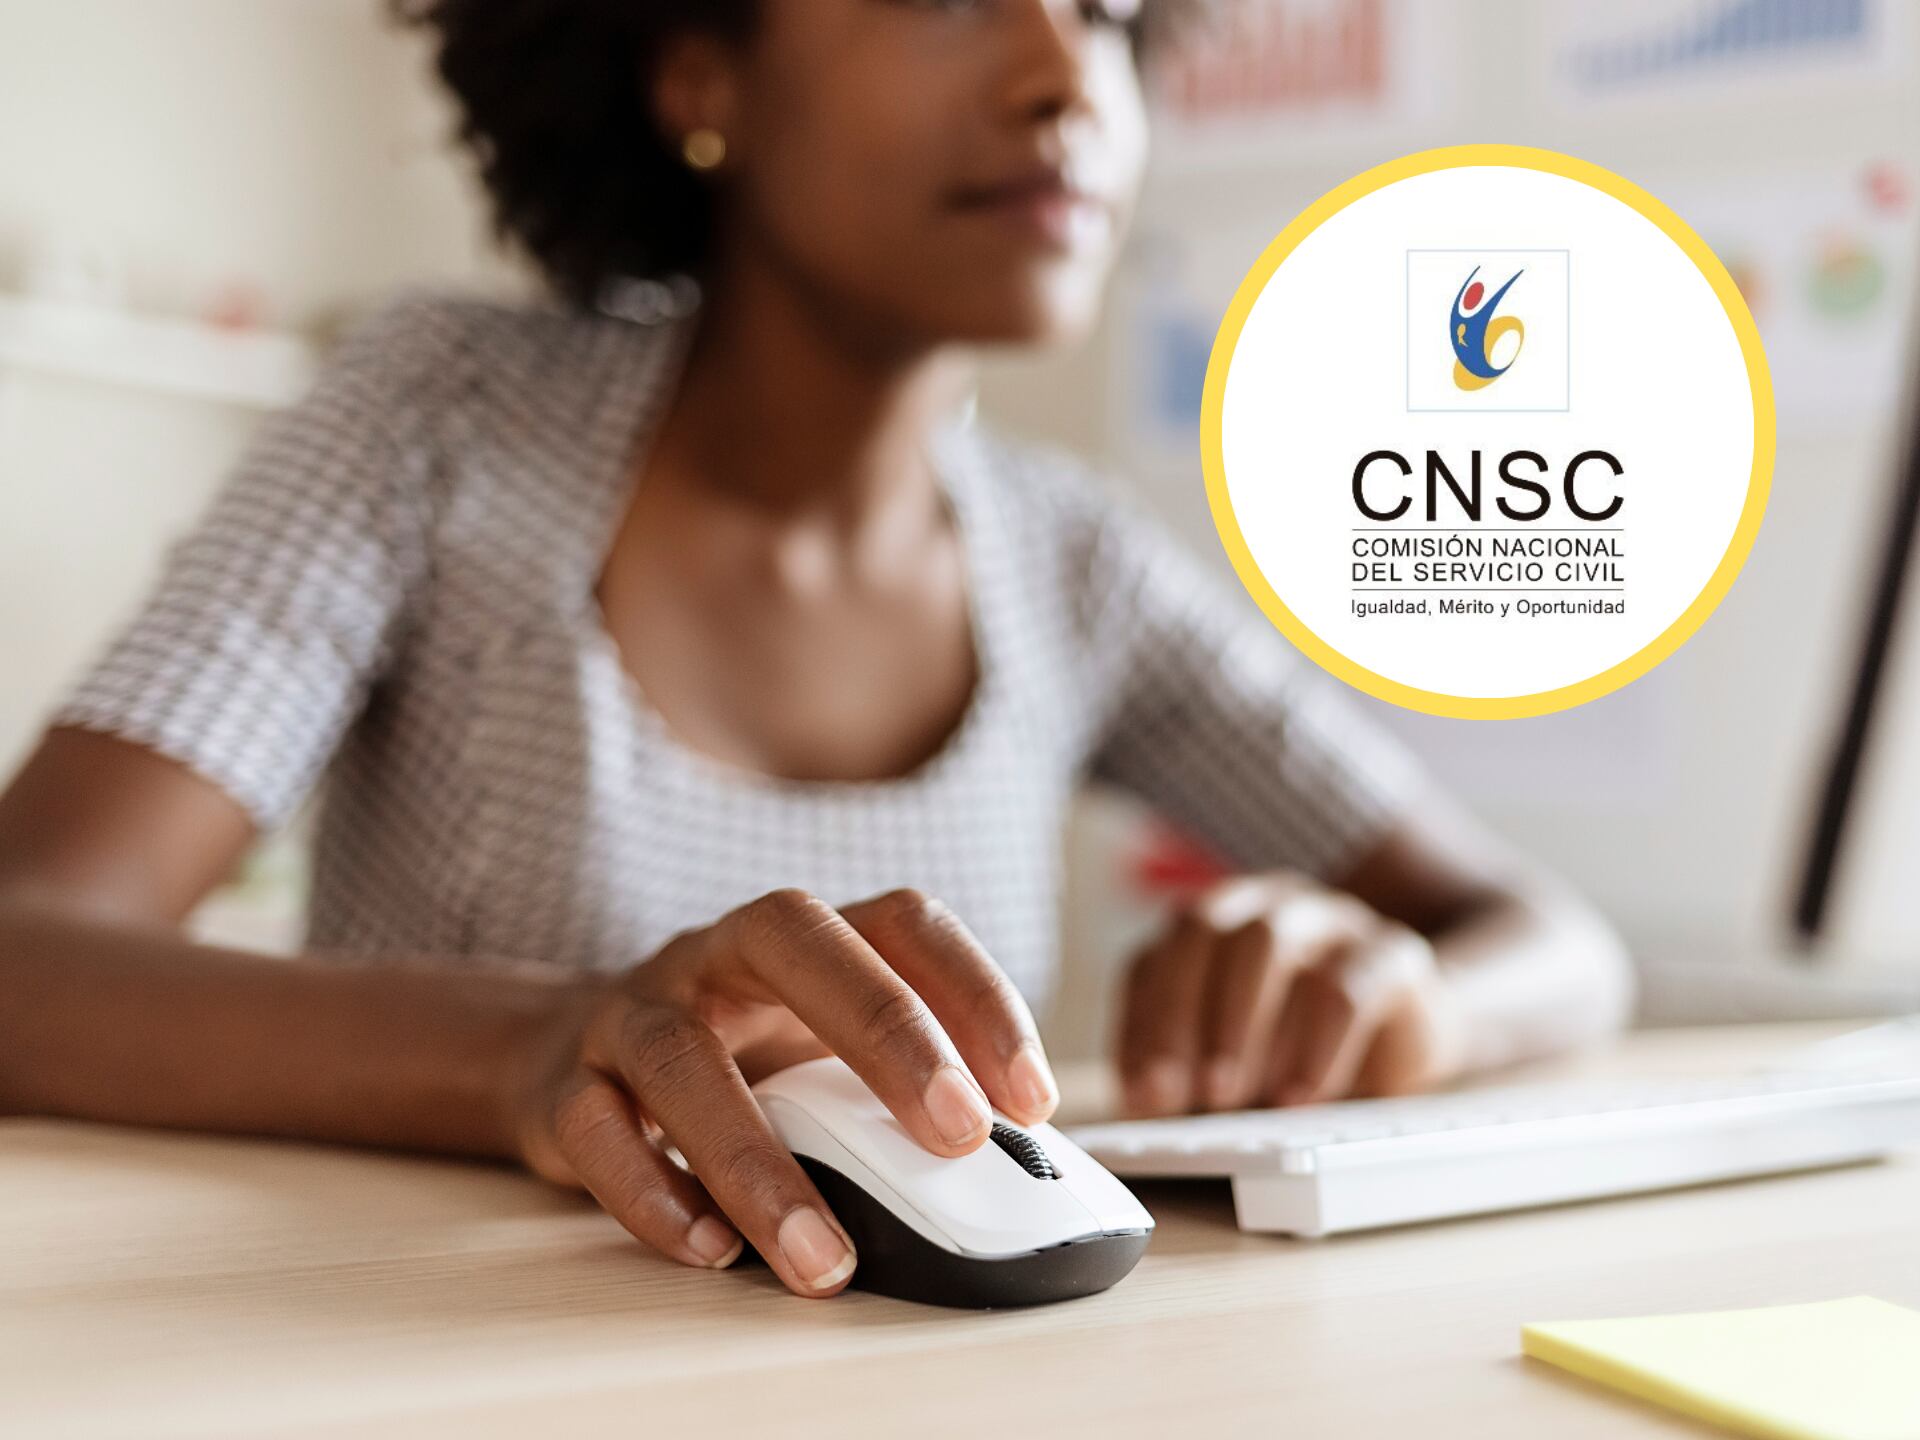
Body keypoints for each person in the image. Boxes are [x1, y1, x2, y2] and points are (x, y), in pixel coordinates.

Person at [0, 0, 1630, 1300]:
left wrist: (1411, 997)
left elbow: (1554, 939)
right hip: (434, 1358)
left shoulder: (1077, 561)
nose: (1064, 72)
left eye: (1111, 10)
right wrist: (540, 1044)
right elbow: (23, 953)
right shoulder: (443, 420)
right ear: (699, 63)